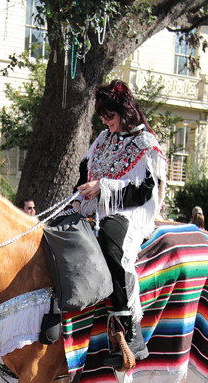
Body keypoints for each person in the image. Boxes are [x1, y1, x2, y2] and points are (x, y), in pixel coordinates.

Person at [76, 79, 166, 368]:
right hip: (94, 205)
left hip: (130, 210)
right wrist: (82, 195)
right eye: (101, 116)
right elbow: (83, 173)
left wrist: (104, 188)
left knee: (111, 245)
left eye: (109, 116)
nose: (104, 121)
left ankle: (130, 328)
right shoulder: (102, 139)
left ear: (125, 113)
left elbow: (144, 191)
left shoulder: (146, 144)